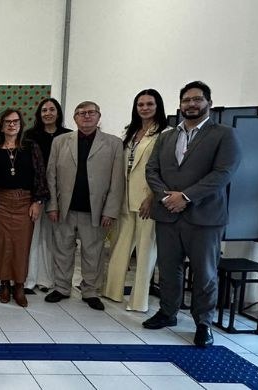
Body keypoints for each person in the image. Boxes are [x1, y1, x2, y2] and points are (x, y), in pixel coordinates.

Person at [143, 81, 241, 348]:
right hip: (168, 215)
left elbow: (223, 173)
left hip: (204, 217)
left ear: (209, 102)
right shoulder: (167, 136)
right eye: (186, 100)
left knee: (204, 273)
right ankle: (168, 312)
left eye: (197, 99)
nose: (191, 104)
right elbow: (152, 170)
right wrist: (166, 197)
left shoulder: (224, 134)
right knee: (168, 268)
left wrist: (185, 197)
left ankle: (203, 323)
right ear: (180, 104)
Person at [45, 101, 124, 311]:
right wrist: (52, 205)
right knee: (62, 250)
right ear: (74, 118)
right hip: (65, 208)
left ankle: (90, 291)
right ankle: (62, 287)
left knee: (93, 253)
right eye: (81, 113)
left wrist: (110, 210)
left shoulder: (114, 144)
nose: (86, 116)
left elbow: (117, 181)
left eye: (91, 112)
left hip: (95, 209)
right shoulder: (61, 141)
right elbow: (51, 175)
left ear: (99, 116)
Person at [102, 89, 168, 312]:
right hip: (124, 197)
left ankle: (139, 301)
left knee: (146, 250)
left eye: (150, 104)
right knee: (119, 246)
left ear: (158, 106)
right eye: (141, 104)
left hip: (147, 200)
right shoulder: (130, 132)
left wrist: (153, 196)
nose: (145, 108)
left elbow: (166, 170)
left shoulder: (165, 133)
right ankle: (112, 291)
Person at [0, 109, 49, 307]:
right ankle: (4, 284)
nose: (11, 125)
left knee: (21, 247)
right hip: (1, 202)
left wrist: (38, 202)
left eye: (15, 121)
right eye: (7, 122)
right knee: (3, 245)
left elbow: (40, 175)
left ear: (21, 125)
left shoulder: (31, 147)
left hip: (25, 203)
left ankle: (19, 286)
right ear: (1, 126)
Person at [22, 98, 72, 293]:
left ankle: (49, 279)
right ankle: (31, 277)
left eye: (52, 109)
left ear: (58, 112)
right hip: (37, 193)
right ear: (39, 114)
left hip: (62, 193)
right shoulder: (30, 136)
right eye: (44, 110)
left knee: (56, 238)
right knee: (35, 236)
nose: (48, 113)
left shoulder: (69, 136)